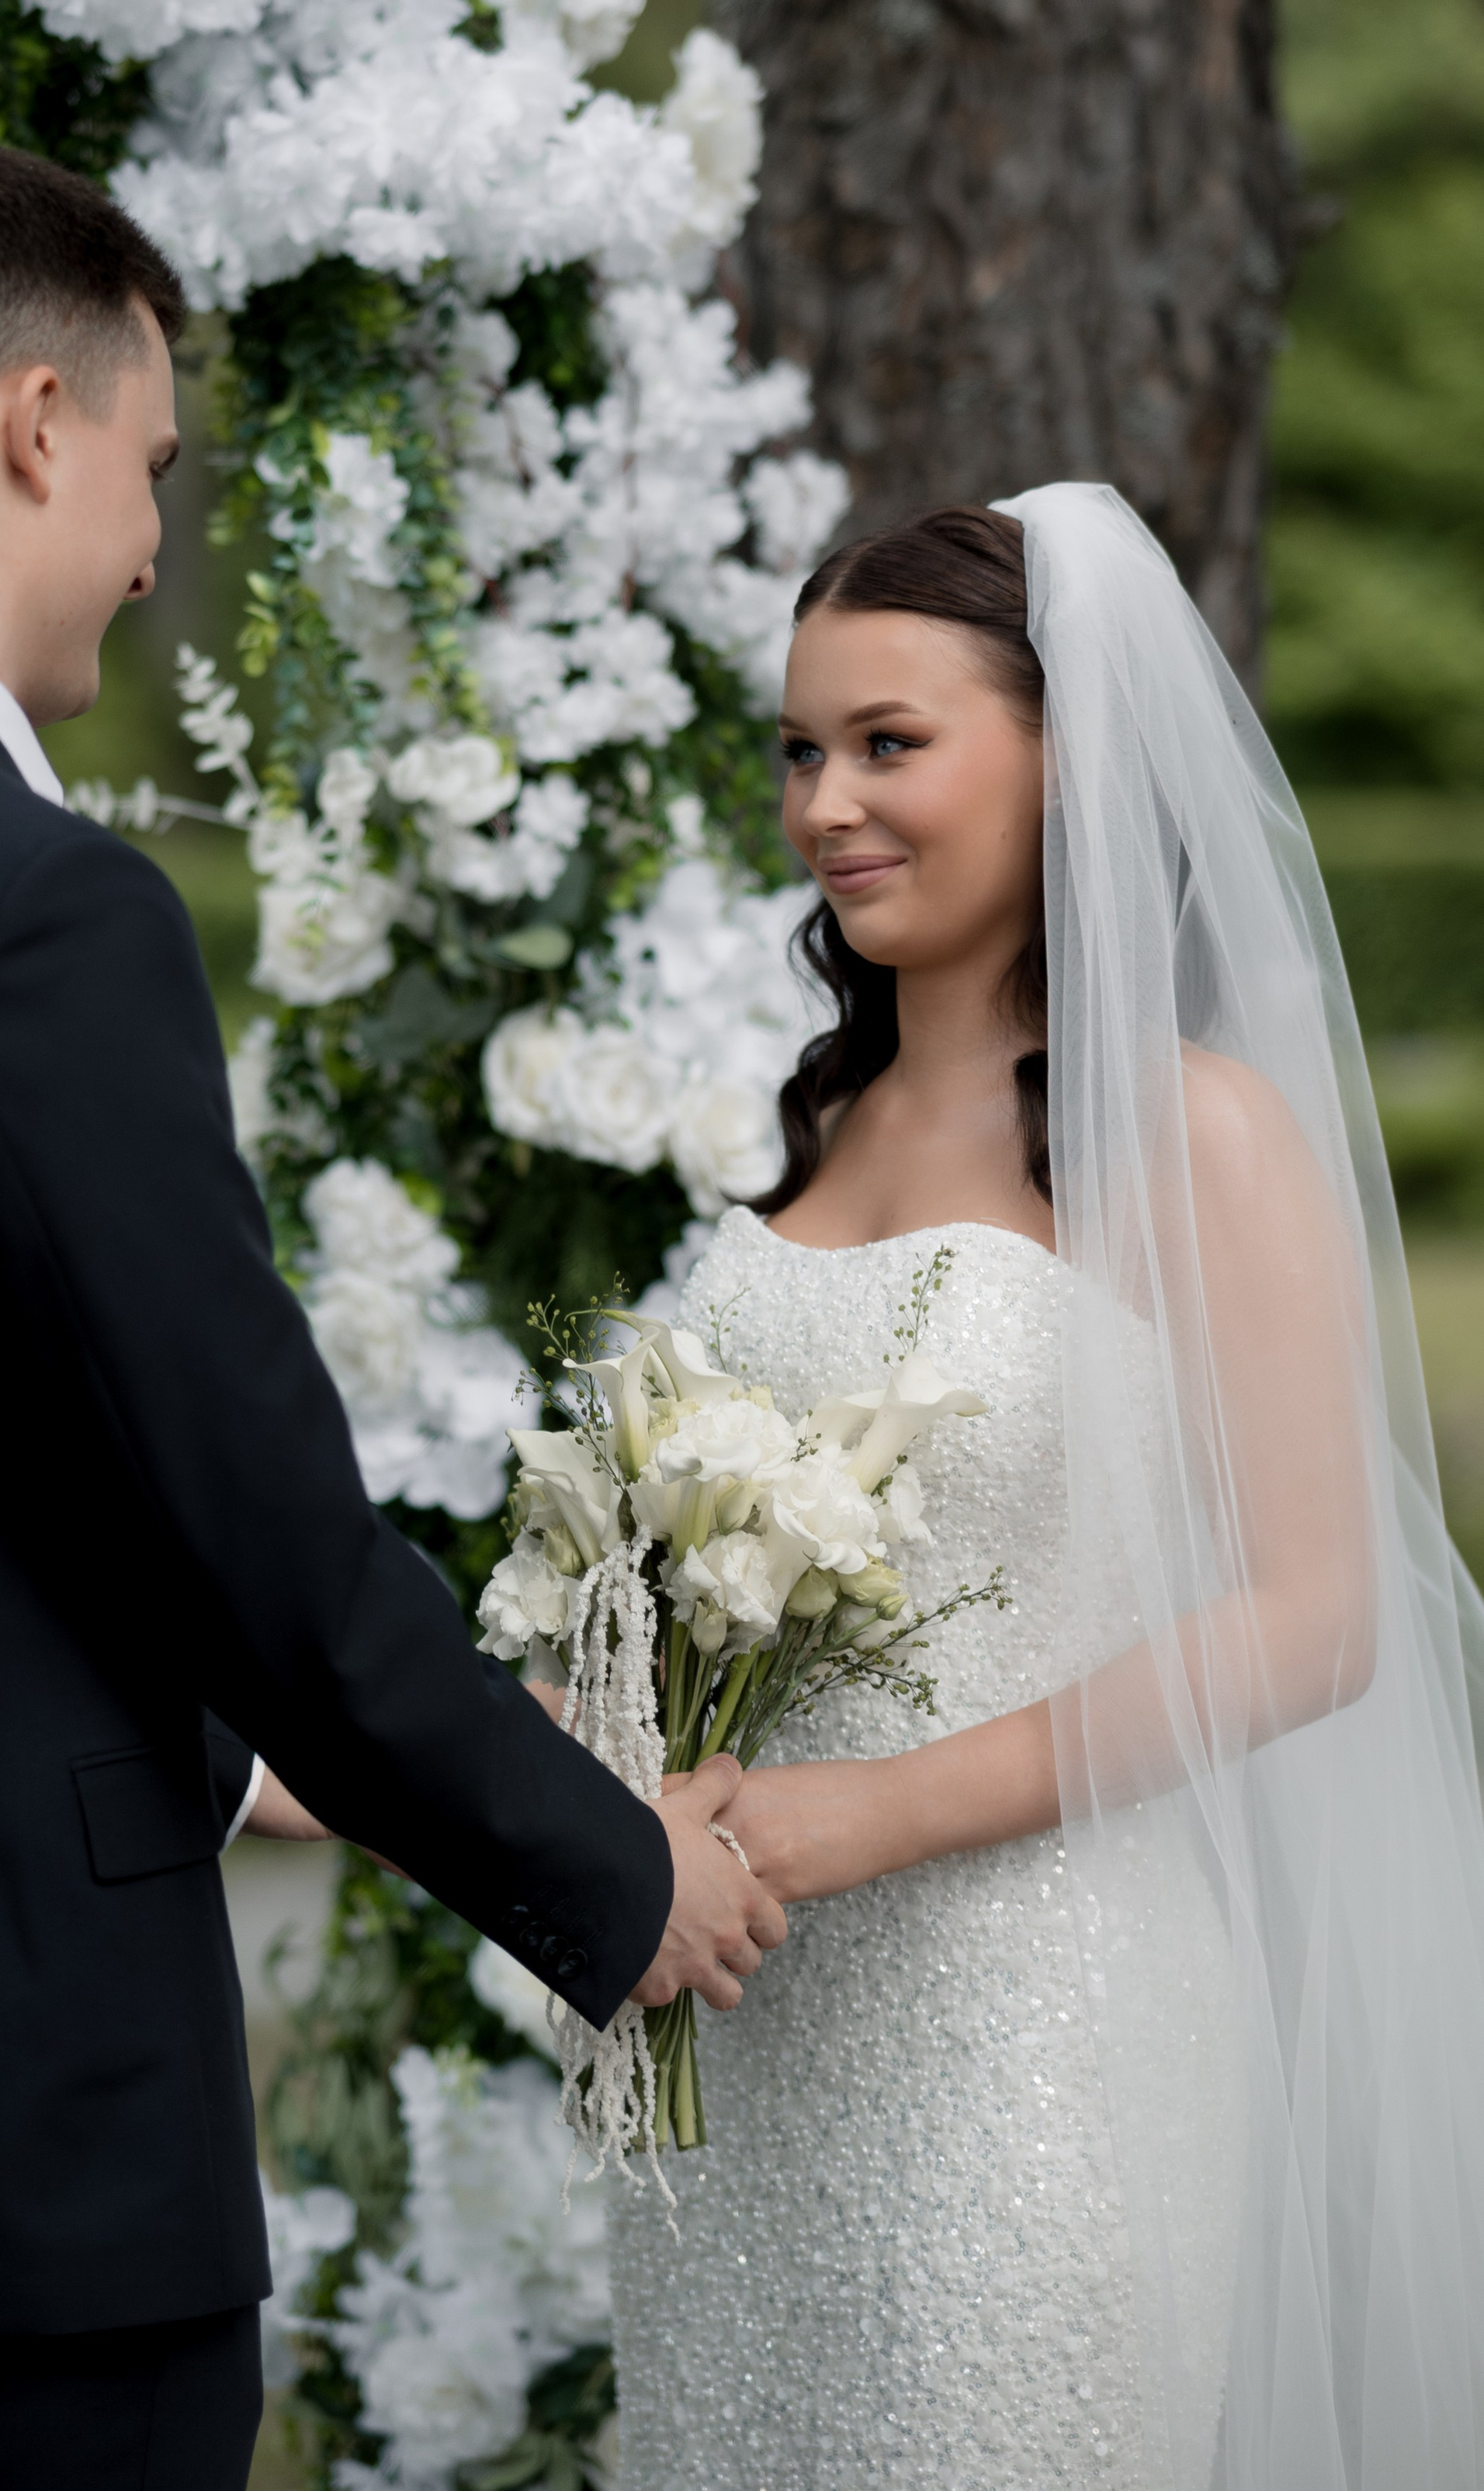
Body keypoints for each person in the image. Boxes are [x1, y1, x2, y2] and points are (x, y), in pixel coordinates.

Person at [0, 137, 785, 2491]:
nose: (156, 537)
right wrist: (612, 1865)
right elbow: (262, 1544)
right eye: (154, 464)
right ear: (33, 423)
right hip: (7, 2168)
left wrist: (216, 1761)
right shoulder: (31, 916)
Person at [605, 490, 1484, 2489]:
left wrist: (861, 1816)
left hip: (1038, 2032)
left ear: (1065, 754)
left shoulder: (1191, 1132)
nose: (828, 801)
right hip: (748, 2035)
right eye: (800, 750)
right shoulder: (805, 1120)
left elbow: (1314, 1616)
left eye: (889, 742)